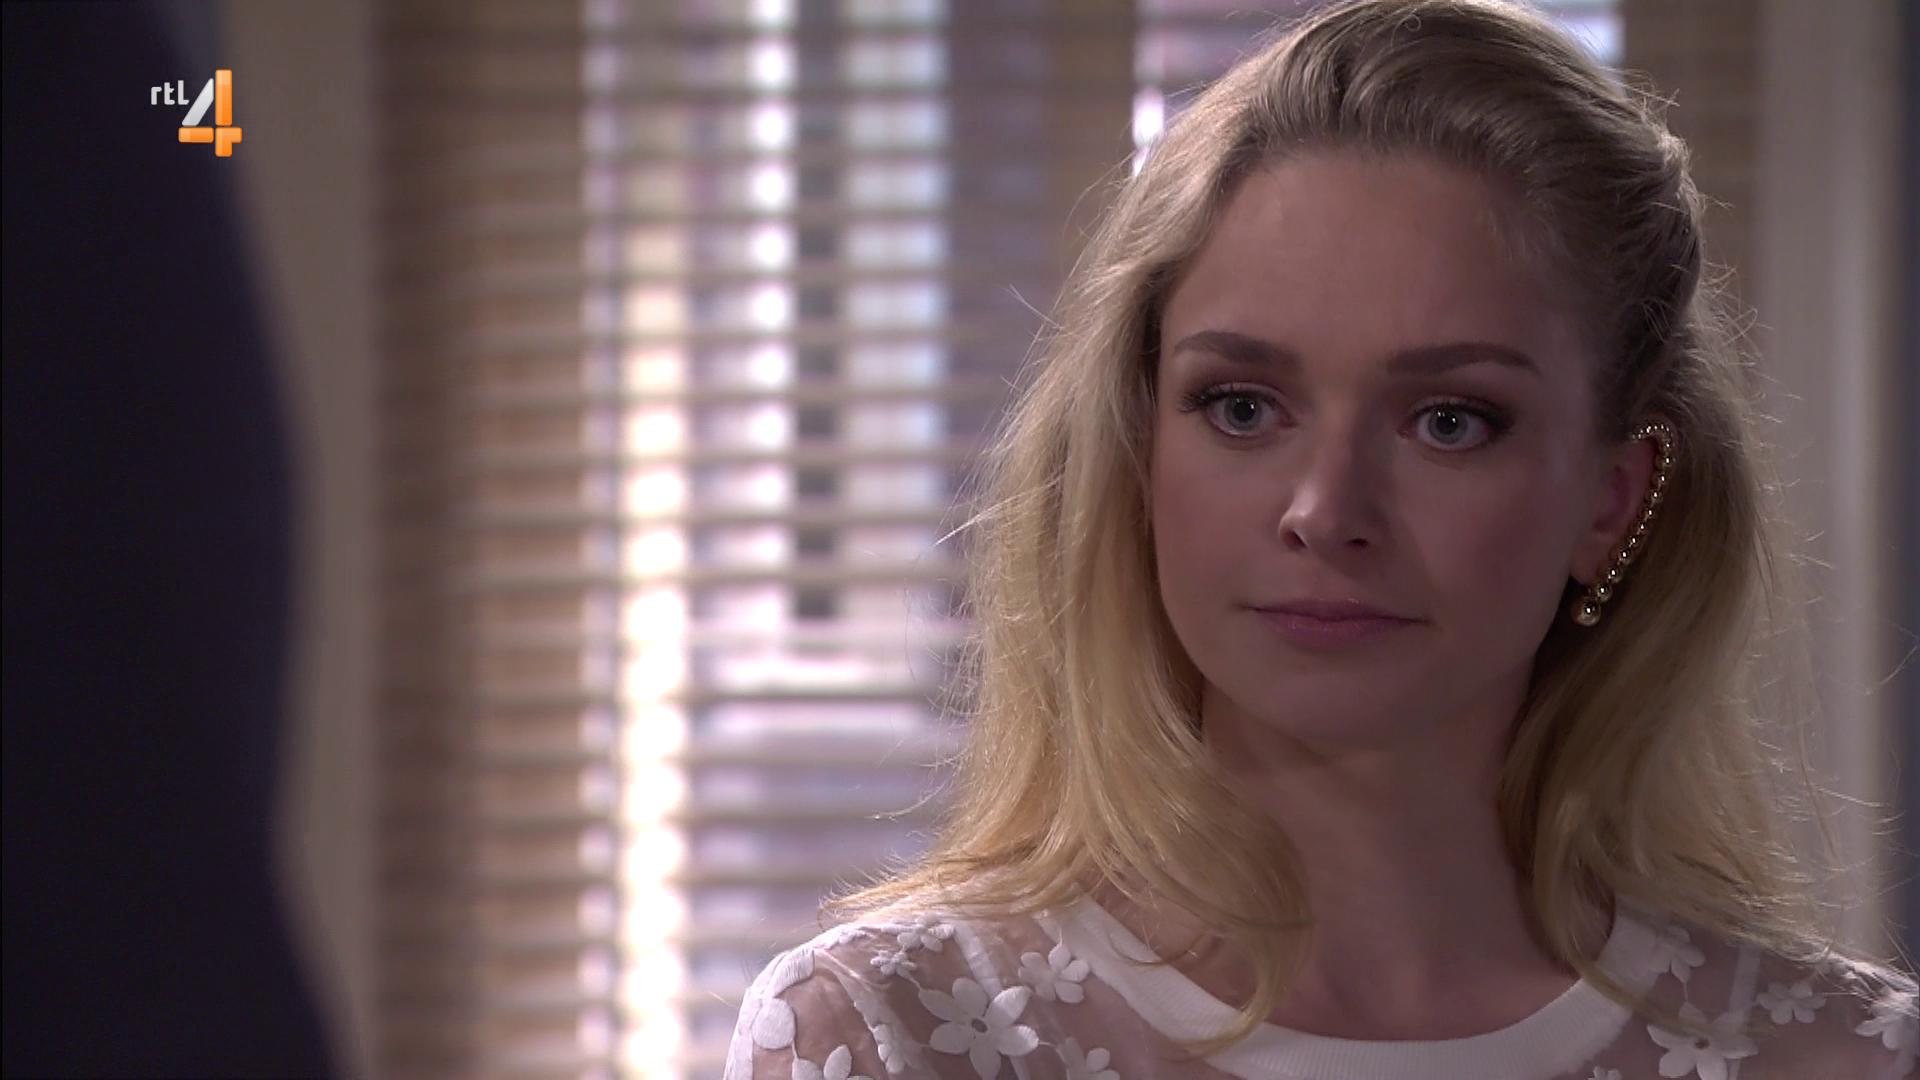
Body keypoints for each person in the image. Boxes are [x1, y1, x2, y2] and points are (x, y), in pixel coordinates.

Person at [724, 0, 1918, 1076]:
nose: (1325, 510)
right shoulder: (888, 1033)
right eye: (1243, 408)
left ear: (1609, 502)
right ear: (1139, 450)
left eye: (1450, 421)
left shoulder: (1846, 1057)